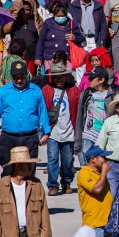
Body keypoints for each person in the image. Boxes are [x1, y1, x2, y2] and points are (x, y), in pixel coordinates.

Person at [0, 59, 51, 173]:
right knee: (8, 172)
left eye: (21, 76)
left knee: (29, 173)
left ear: (26, 75)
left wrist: (46, 133)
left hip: (29, 138)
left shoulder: (35, 91)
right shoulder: (3, 91)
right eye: (16, 77)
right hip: (8, 138)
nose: (19, 80)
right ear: (11, 76)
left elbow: (42, 112)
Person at [42, 62, 80, 195]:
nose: (59, 80)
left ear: (66, 76)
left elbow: (77, 110)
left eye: (61, 76)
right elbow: (42, 110)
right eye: (56, 77)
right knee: (52, 158)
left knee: (67, 160)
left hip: (68, 130)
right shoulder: (46, 90)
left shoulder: (73, 90)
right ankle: (52, 185)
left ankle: (66, 182)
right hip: (53, 132)